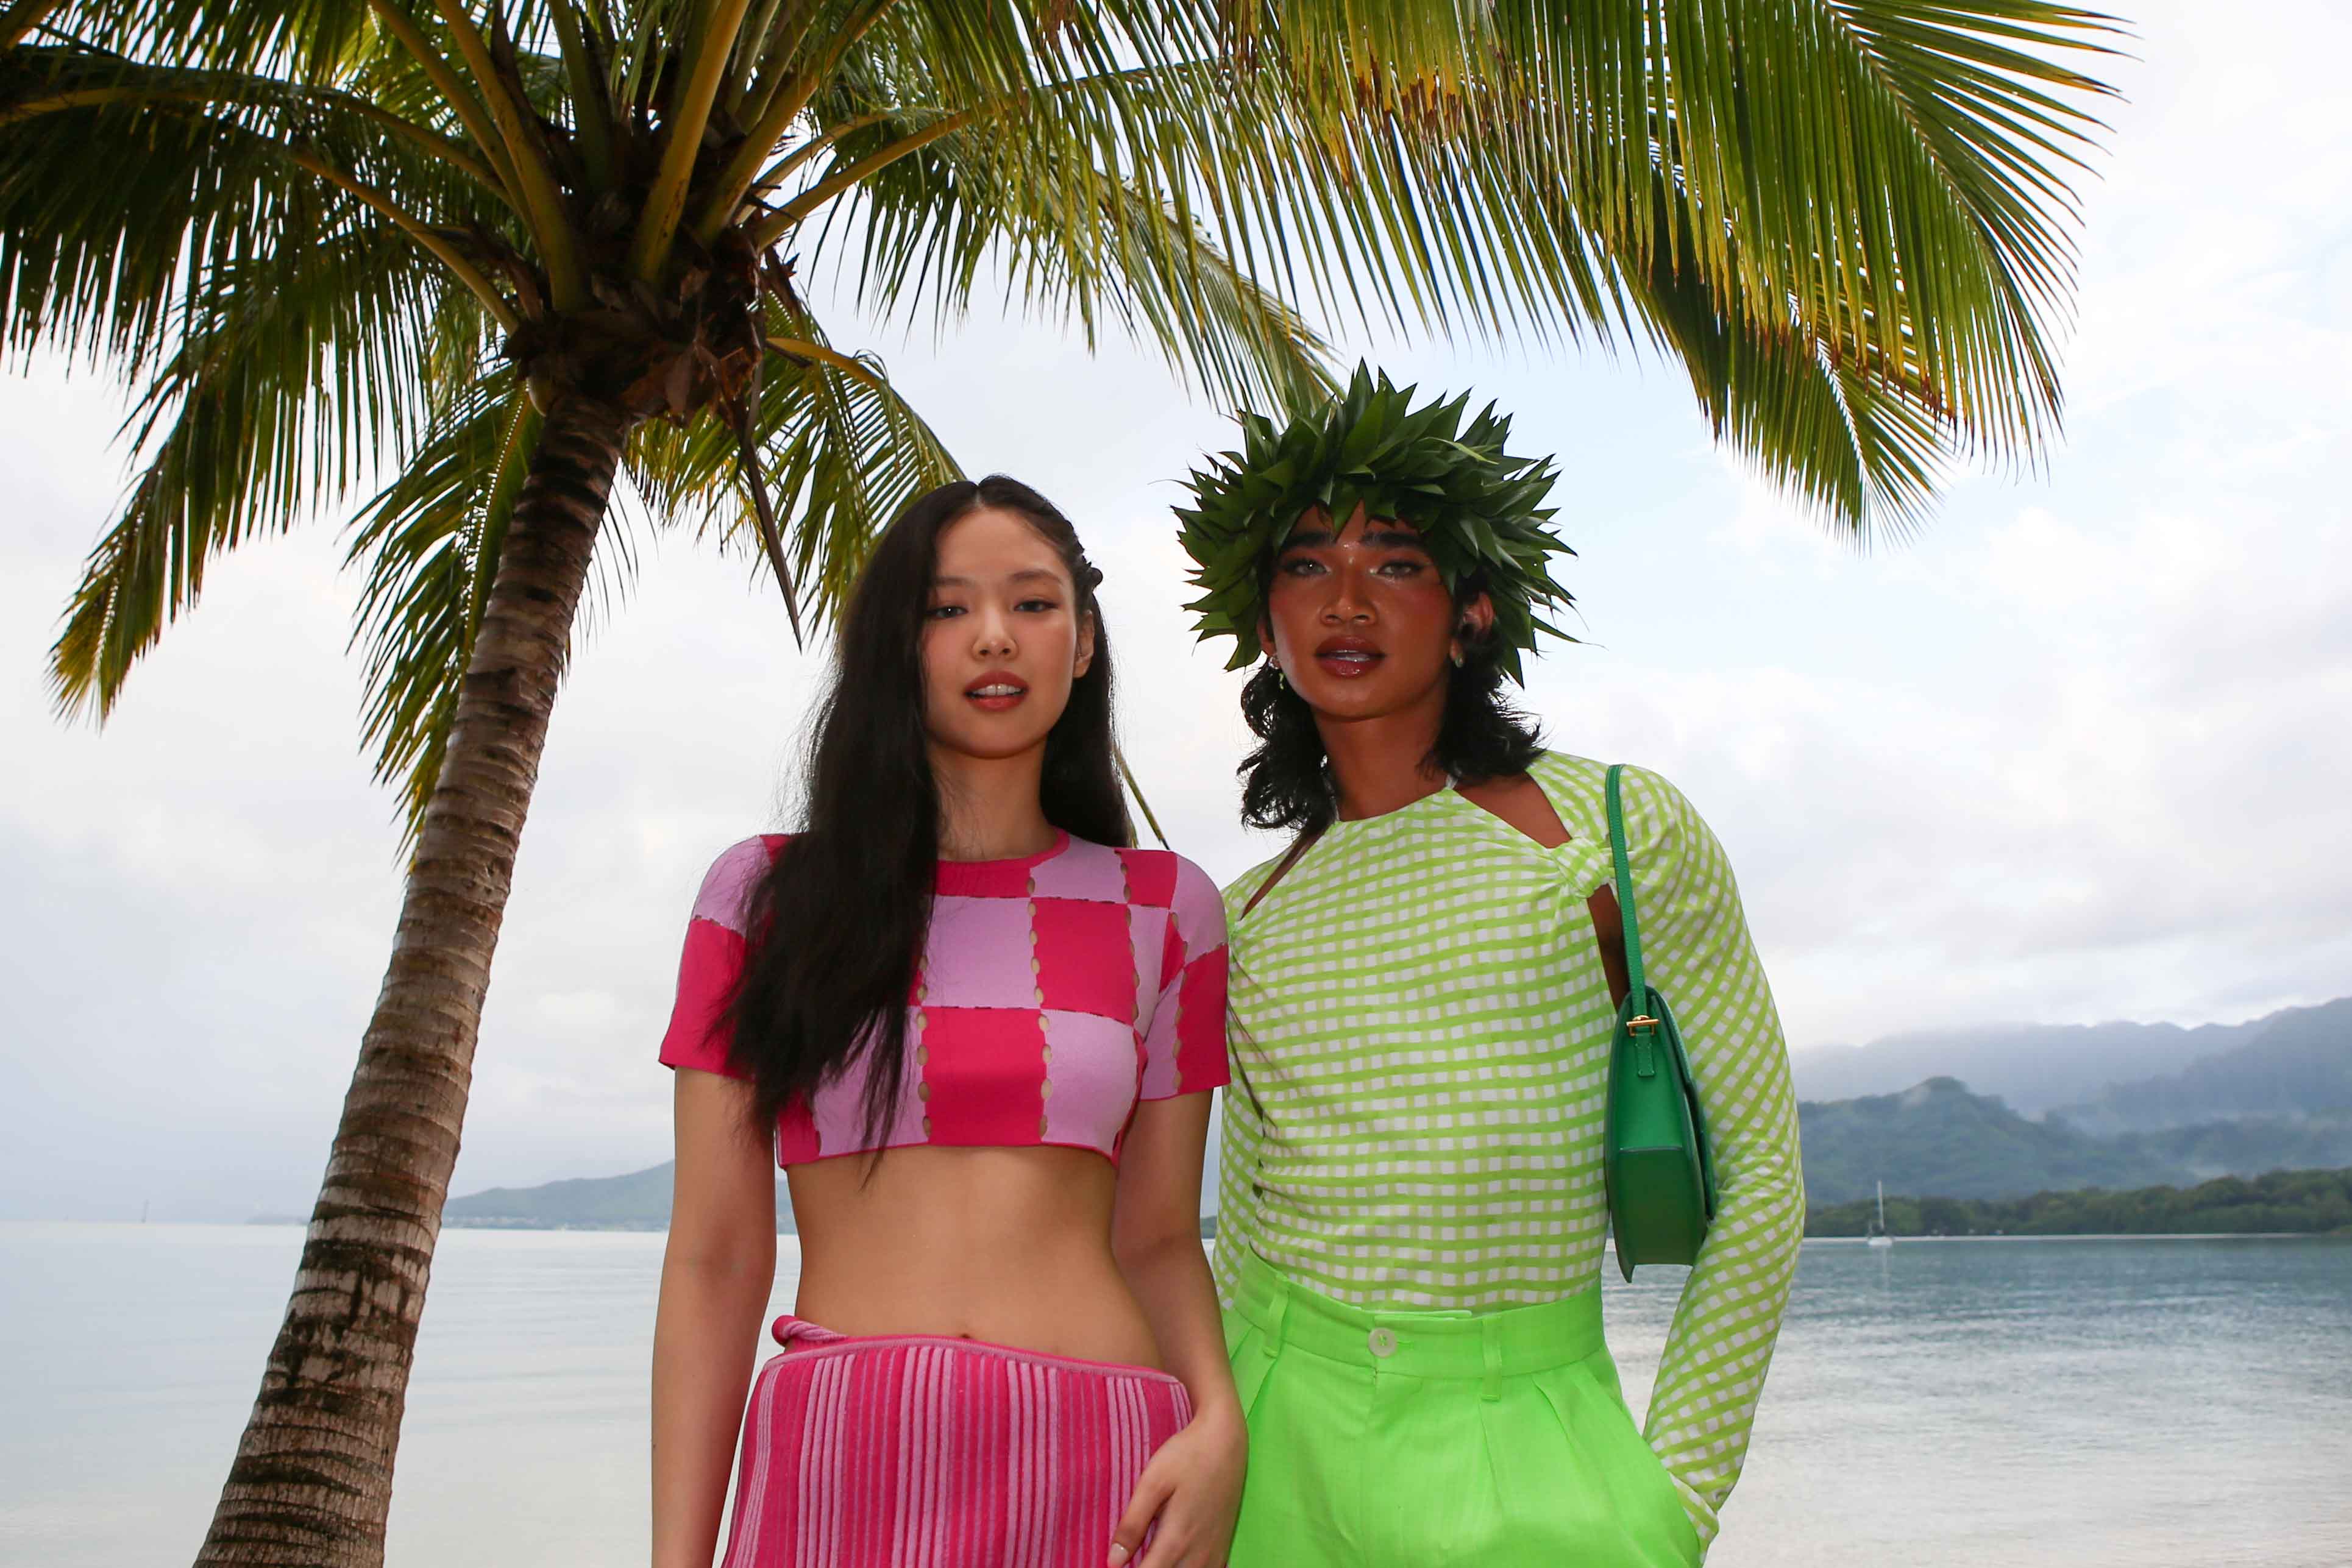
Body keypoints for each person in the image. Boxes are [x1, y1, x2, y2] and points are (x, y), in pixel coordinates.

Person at [1176, 369, 1805, 1566]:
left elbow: (1763, 1190)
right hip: (1271, 1450)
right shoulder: (1245, 912)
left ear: (1471, 611)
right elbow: (1241, 1237)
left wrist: (1671, 1501)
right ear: (1263, 626)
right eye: (1307, 565)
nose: (1346, 600)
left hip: (1530, 1442)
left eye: (1396, 564)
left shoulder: (1614, 833)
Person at [651, 476, 1245, 1568]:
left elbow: (1158, 1233)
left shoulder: (1166, 906)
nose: (991, 638)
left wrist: (1220, 1425)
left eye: (1031, 604)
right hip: (842, 1460)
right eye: (945, 607)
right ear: (894, 643)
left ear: (1082, 643)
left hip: (1104, 1469)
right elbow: (717, 1257)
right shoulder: (764, 899)